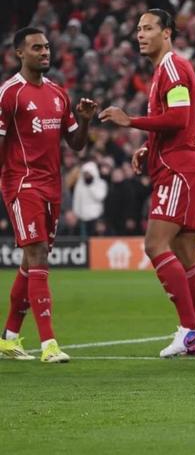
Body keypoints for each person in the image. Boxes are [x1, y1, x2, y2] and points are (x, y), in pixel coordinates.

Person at [99, 9, 195, 358]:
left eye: (148, 28)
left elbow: (178, 118)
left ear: (167, 33)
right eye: (138, 29)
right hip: (180, 165)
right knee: (185, 253)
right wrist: (150, 146)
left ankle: (191, 329)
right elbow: (178, 122)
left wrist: (130, 121)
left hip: (179, 169)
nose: (140, 34)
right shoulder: (164, 70)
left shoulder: (173, 67)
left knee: (154, 244)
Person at [0, 27, 96, 363]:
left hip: (52, 187)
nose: (44, 52)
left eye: (46, 47)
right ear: (19, 53)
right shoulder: (9, 94)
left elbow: (76, 143)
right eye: (36, 48)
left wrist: (84, 121)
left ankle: (8, 338)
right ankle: (49, 344)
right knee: (38, 254)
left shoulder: (58, 93)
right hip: (22, 183)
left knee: (31, 262)